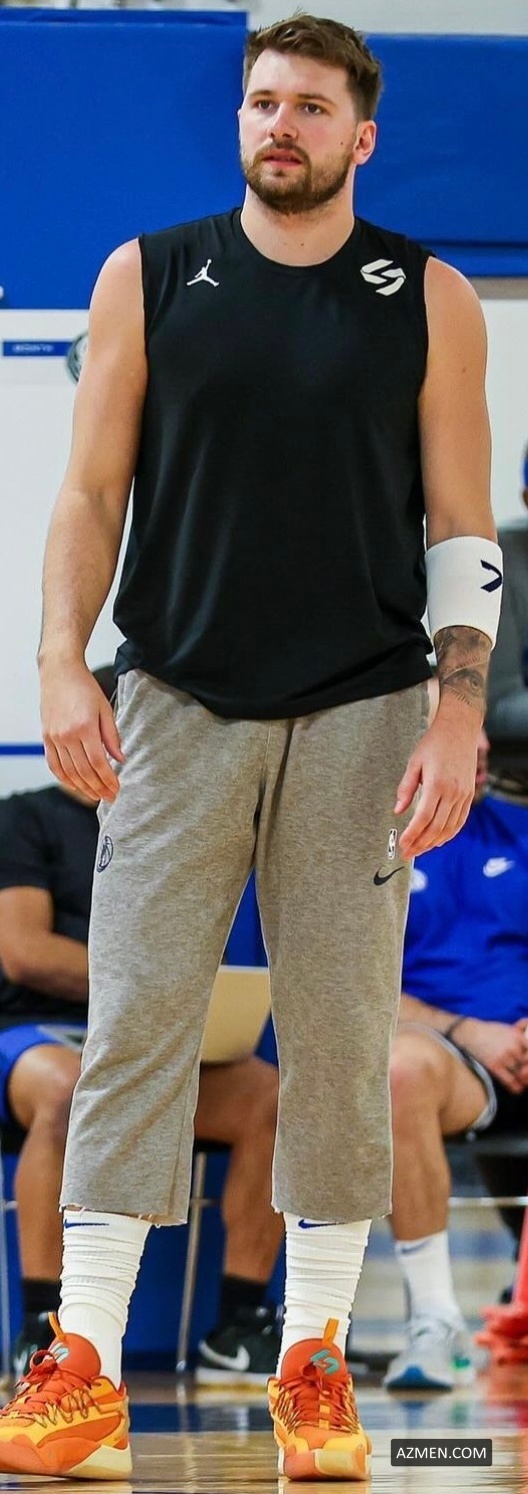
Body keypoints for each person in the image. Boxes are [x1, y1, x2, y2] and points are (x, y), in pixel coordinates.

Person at [0, 12, 503, 1483]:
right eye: (263, 101)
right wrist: (62, 663)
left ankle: (314, 1363)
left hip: (366, 706)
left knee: (342, 1040)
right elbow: (90, 494)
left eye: (311, 106)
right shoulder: (148, 275)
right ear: (241, 120)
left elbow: (462, 523)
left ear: (364, 134)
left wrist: (459, 707)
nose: (280, 124)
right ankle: (83, 1365)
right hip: (177, 695)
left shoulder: (432, 296)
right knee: (136, 1018)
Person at [0, 669, 282, 1385]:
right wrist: (141, 983)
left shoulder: (184, 827)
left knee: (270, 1098)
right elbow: (24, 951)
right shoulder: (26, 818)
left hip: (153, 1032)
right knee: (70, 1092)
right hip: (39, 1033)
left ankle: (239, 1324)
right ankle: (43, 1327)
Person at [387, 694, 528, 1391]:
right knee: (400, 1071)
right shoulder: (370, 851)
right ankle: (435, 1322)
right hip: (448, 1056)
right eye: (451, 728)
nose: (478, 746)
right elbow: (348, 991)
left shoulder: (520, 831)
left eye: (478, 732)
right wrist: (466, 1030)